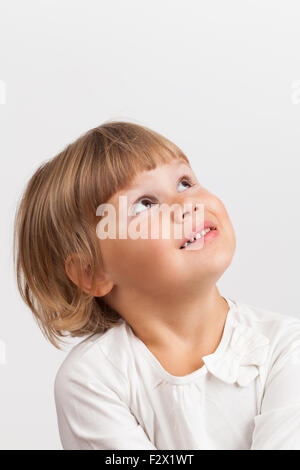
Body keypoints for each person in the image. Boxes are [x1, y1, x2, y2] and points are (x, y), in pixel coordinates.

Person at [13, 121, 300, 450]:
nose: (186, 204)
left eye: (184, 182)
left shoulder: (286, 347)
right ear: (91, 273)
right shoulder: (92, 380)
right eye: (144, 204)